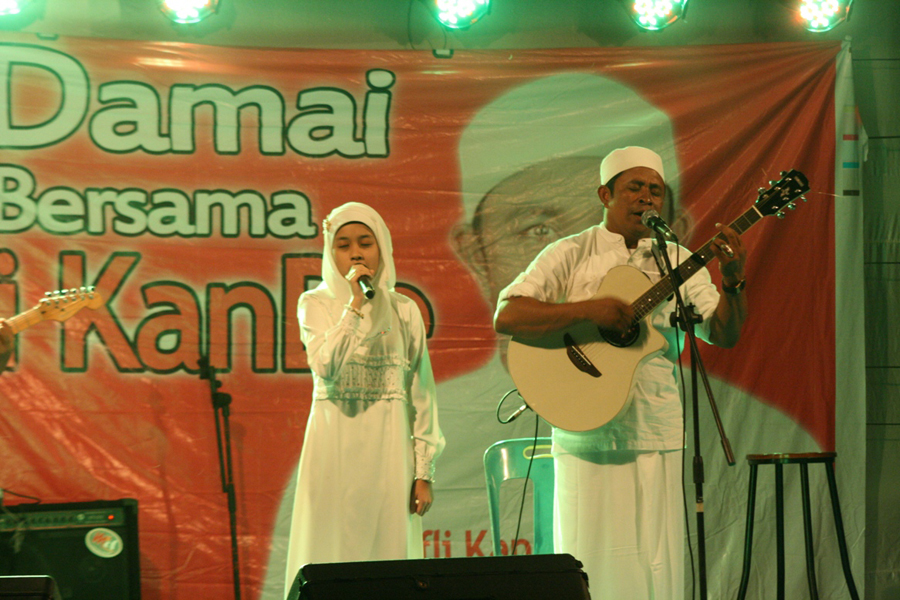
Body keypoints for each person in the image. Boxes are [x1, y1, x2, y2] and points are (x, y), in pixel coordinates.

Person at [493, 146, 748, 599]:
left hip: (656, 430)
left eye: (655, 190)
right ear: (605, 194)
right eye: (634, 187)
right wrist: (591, 310)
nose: (647, 197)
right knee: (589, 558)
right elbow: (509, 316)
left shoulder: (677, 258)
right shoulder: (569, 253)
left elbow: (722, 334)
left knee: (657, 559)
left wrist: (732, 279)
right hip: (584, 429)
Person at [284, 202, 445, 593]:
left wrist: (423, 472)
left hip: (389, 451)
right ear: (330, 252)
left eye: (364, 242)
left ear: (381, 248)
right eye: (343, 245)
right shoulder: (315, 303)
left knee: (387, 552)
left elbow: (421, 394)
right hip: (333, 447)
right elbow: (326, 364)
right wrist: (355, 306)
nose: (355, 253)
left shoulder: (405, 310)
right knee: (330, 548)